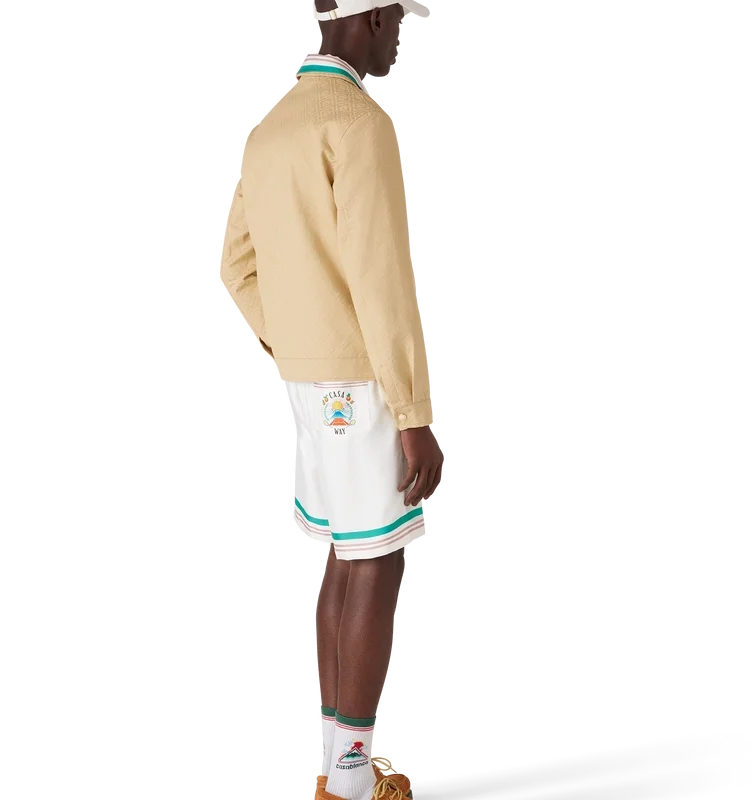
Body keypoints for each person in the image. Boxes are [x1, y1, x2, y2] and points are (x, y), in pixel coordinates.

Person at [219, 2, 440, 798]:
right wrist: (415, 415)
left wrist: (300, 347)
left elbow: (235, 267)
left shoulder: (270, 125)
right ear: (373, 19)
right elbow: (382, 281)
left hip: (311, 386)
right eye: (400, 23)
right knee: (374, 562)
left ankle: (338, 765)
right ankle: (351, 778)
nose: (401, 41)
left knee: (344, 559)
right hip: (366, 384)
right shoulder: (358, 122)